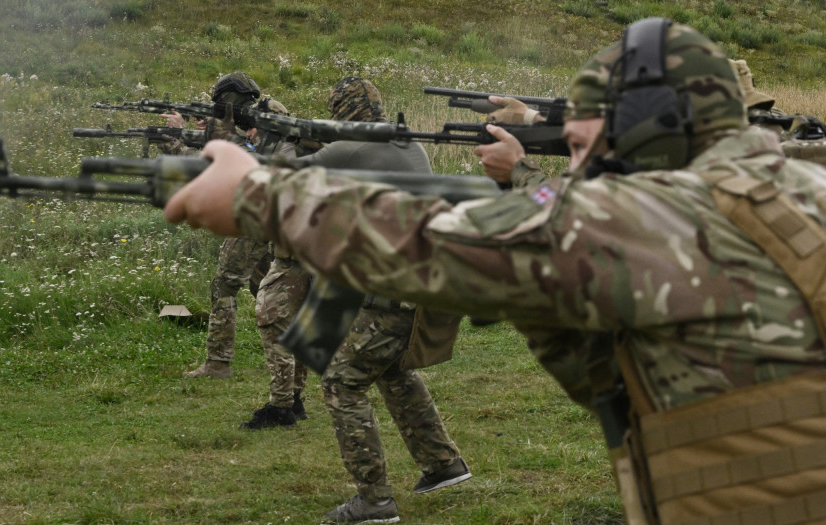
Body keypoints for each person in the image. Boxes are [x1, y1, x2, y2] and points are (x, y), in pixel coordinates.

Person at [164, 19, 826, 525]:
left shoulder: (672, 217)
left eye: (589, 146)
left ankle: (389, 489)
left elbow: (446, 247)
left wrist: (259, 195)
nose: (584, 166)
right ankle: (439, 464)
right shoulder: (791, 186)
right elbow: (584, 325)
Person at [299, 77, 470, 524]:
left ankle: (374, 501)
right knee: (393, 368)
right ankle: (442, 463)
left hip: (390, 296)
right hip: (421, 286)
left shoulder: (351, 148)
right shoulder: (408, 143)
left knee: (342, 382)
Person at [179, 72, 293, 380]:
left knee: (226, 283)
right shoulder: (255, 120)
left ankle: (218, 363)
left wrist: (220, 135)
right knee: (265, 285)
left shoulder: (268, 116)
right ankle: (303, 348)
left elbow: (253, 159)